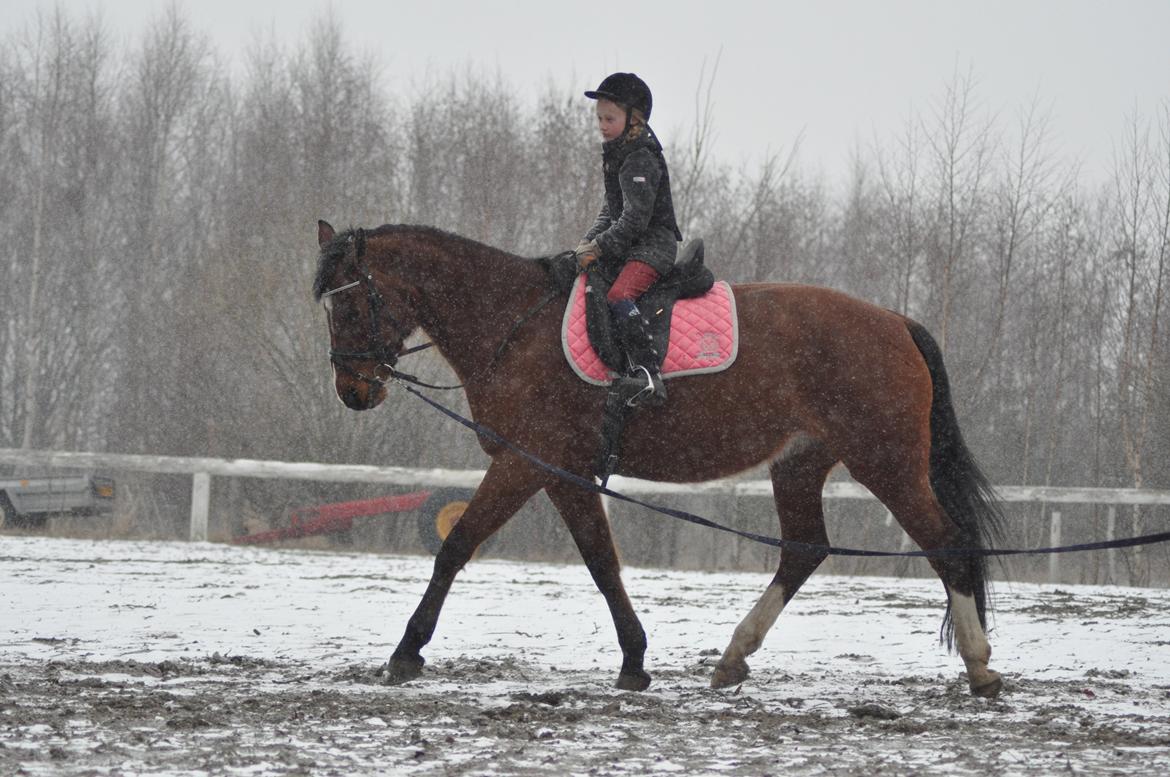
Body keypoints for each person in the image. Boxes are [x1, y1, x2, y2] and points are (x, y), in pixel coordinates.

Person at [575, 72, 683, 406]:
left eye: (610, 118)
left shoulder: (640, 158)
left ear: (632, 119)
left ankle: (649, 375)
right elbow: (610, 212)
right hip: (631, 246)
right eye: (599, 119)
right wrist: (585, 244)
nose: (602, 125)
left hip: (653, 247)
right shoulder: (617, 154)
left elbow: (635, 219)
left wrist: (601, 247)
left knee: (620, 294)